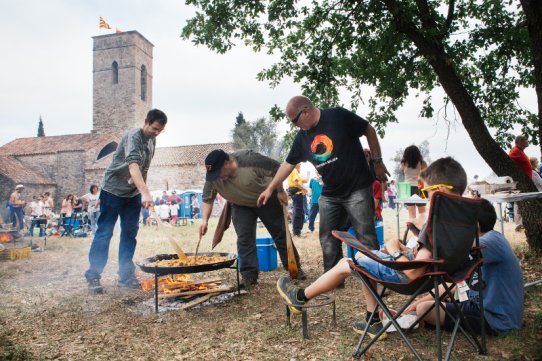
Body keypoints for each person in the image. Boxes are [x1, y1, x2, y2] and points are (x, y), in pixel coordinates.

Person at [277, 157, 467, 339]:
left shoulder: (435, 223)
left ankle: (301, 297)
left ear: (440, 190)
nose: (425, 198)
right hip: (434, 278)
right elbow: (434, 258)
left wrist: (394, 250)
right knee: (364, 257)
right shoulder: (464, 222)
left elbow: (411, 273)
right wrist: (408, 249)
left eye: (426, 192)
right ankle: (373, 317)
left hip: (408, 279)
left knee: (354, 260)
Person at [258, 96, 389, 273]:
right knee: (327, 237)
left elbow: (369, 130)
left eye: (295, 121)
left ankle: (376, 275)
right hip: (331, 193)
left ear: (305, 111)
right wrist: (270, 188)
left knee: (365, 235)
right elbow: (288, 164)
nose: (295, 125)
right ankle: (333, 277)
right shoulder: (302, 138)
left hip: (357, 187)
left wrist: (377, 161)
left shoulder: (338, 116)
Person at [408, 198, 523, 336]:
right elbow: (452, 285)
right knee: (428, 303)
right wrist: (412, 305)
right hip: (481, 308)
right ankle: (407, 315)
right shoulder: (487, 242)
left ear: (476, 225)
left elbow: (455, 246)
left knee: (424, 308)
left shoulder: (493, 240)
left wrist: (428, 235)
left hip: (496, 319)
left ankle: (414, 317)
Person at [84, 108, 167, 294]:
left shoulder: (152, 141)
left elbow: (144, 169)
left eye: (160, 130)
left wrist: (142, 193)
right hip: (112, 191)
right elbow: (133, 165)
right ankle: (93, 276)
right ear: (146, 121)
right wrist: (145, 193)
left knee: (129, 234)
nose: (156, 133)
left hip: (131, 195)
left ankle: (126, 276)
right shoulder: (133, 136)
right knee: (104, 233)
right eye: (154, 128)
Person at [200, 149, 305, 287]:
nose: (216, 177)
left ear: (226, 163)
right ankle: (249, 276)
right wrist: (205, 220)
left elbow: (277, 168)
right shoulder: (213, 176)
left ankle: (294, 269)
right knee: (244, 239)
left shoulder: (250, 160)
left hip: (266, 198)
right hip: (240, 204)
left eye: (218, 173)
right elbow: (208, 198)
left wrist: (279, 190)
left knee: (280, 233)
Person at [508, 135, 532, 231]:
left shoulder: (520, 151)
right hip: (521, 182)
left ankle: (521, 223)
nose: (527, 141)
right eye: (525, 140)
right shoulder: (515, 151)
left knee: (522, 202)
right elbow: (509, 163)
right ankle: (518, 224)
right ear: (520, 141)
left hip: (526, 181)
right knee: (519, 202)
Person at [400, 145, 428, 220]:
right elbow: (426, 174)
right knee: (422, 213)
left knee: (411, 215)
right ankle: (421, 230)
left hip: (406, 188)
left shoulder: (403, 163)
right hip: (418, 187)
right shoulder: (422, 163)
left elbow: (403, 172)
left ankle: (412, 229)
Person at [287, 163, 307, 237]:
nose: (301, 166)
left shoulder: (294, 171)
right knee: (298, 212)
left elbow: (305, 181)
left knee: (300, 212)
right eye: (300, 164)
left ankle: (297, 231)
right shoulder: (294, 170)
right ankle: (296, 232)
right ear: (297, 164)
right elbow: (296, 183)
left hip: (297, 194)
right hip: (297, 193)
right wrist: (304, 189)